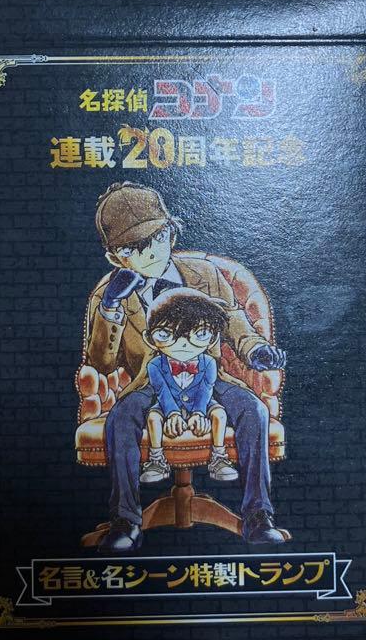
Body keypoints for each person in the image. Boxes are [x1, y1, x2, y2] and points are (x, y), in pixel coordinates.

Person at [85, 181, 287, 552]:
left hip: (208, 376)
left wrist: (256, 350)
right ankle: (125, 521)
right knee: (121, 419)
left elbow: (234, 320)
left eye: (157, 239)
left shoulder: (205, 274)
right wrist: (111, 307)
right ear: (115, 257)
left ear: (171, 234)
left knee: (253, 411)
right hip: (150, 381)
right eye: (132, 248)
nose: (149, 253)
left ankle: (258, 517)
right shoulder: (110, 294)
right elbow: (101, 362)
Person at [140, 287, 238, 485]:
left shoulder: (208, 363)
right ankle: (157, 460)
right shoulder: (155, 365)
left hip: (201, 404)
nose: (183, 343)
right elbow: (162, 392)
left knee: (219, 414)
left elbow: (206, 390)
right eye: (166, 334)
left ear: (213, 338)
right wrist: (172, 414)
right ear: (150, 339)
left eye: (200, 333)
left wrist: (199, 413)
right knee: (153, 417)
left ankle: (219, 457)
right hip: (169, 405)